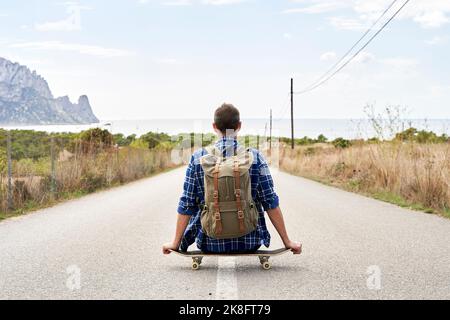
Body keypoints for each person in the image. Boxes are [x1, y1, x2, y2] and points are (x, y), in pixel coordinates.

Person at [162, 103, 302, 255]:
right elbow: (270, 201)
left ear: (214, 126)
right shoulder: (255, 157)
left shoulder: (198, 158)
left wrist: (175, 243)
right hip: (249, 242)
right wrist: (287, 241)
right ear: (239, 126)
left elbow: (187, 203)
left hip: (209, 242)